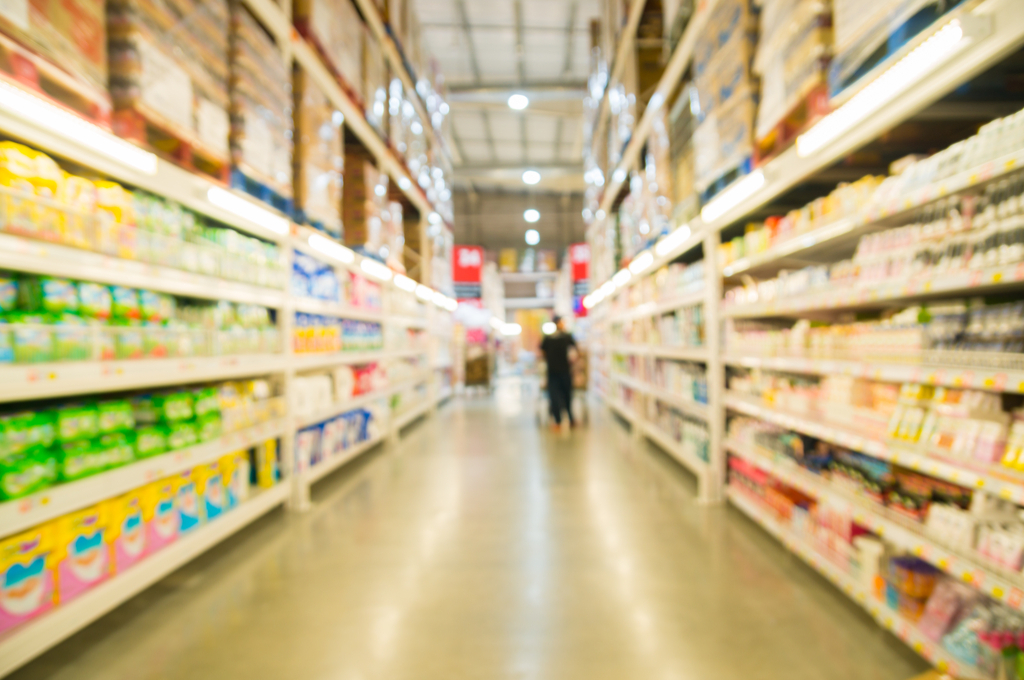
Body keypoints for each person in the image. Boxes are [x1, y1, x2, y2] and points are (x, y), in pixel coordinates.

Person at [540, 316, 578, 429]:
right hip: (560, 371)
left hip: (556, 371)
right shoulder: (565, 336)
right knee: (563, 396)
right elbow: (575, 350)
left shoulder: (550, 338)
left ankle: (562, 420)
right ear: (558, 323)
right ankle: (563, 420)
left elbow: (543, 352)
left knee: (560, 396)